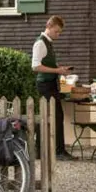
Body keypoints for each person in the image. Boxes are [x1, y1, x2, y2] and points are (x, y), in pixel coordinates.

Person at [32, 16, 73, 160]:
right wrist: (57, 71)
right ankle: (58, 151)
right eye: (56, 32)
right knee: (54, 116)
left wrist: (60, 69)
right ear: (49, 26)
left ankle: (43, 151)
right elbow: (35, 66)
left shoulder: (47, 43)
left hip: (50, 84)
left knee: (49, 116)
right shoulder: (40, 43)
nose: (58, 35)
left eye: (59, 32)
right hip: (45, 85)